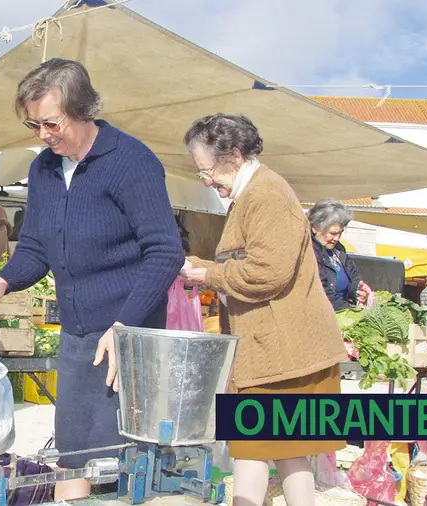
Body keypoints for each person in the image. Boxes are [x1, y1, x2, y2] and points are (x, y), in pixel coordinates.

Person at [0, 58, 185, 501]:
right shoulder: (44, 169)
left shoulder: (131, 161)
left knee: (113, 461)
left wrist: (125, 327)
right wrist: (2, 281)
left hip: (126, 337)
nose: (43, 134)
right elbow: (37, 248)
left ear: (82, 109)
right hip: (78, 335)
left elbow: (165, 252)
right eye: (33, 124)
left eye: (51, 122)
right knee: (71, 453)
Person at [178, 114, 347, 506]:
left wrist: (207, 273)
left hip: (284, 353)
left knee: (252, 451)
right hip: (282, 351)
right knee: (288, 454)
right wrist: (206, 268)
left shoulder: (267, 193)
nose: (206, 182)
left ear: (234, 156)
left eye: (207, 171)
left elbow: (268, 272)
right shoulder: (254, 192)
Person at [307, 199, 372, 311]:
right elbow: (322, 292)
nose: (337, 238)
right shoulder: (309, 252)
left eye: (340, 233)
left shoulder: (338, 250)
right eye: (333, 233)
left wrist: (359, 290)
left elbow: (353, 277)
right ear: (316, 228)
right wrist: (350, 312)